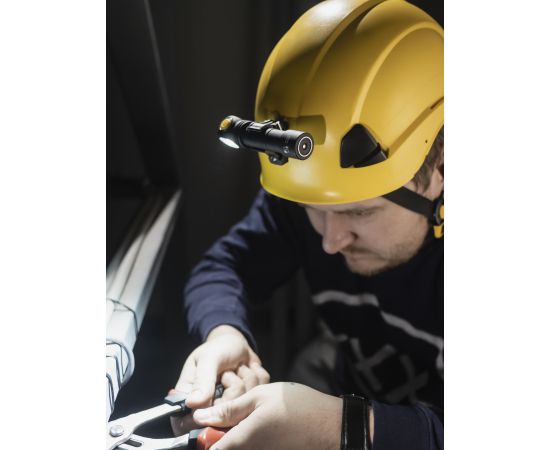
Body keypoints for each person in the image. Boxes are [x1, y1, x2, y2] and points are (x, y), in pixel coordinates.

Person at [171, 0, 444, 448]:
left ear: (441, 170)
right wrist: (224, 332)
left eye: (360, 212)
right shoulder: (320, 193)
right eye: (312, 208)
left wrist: (341, 426)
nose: (330, 240)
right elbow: (224, 267)